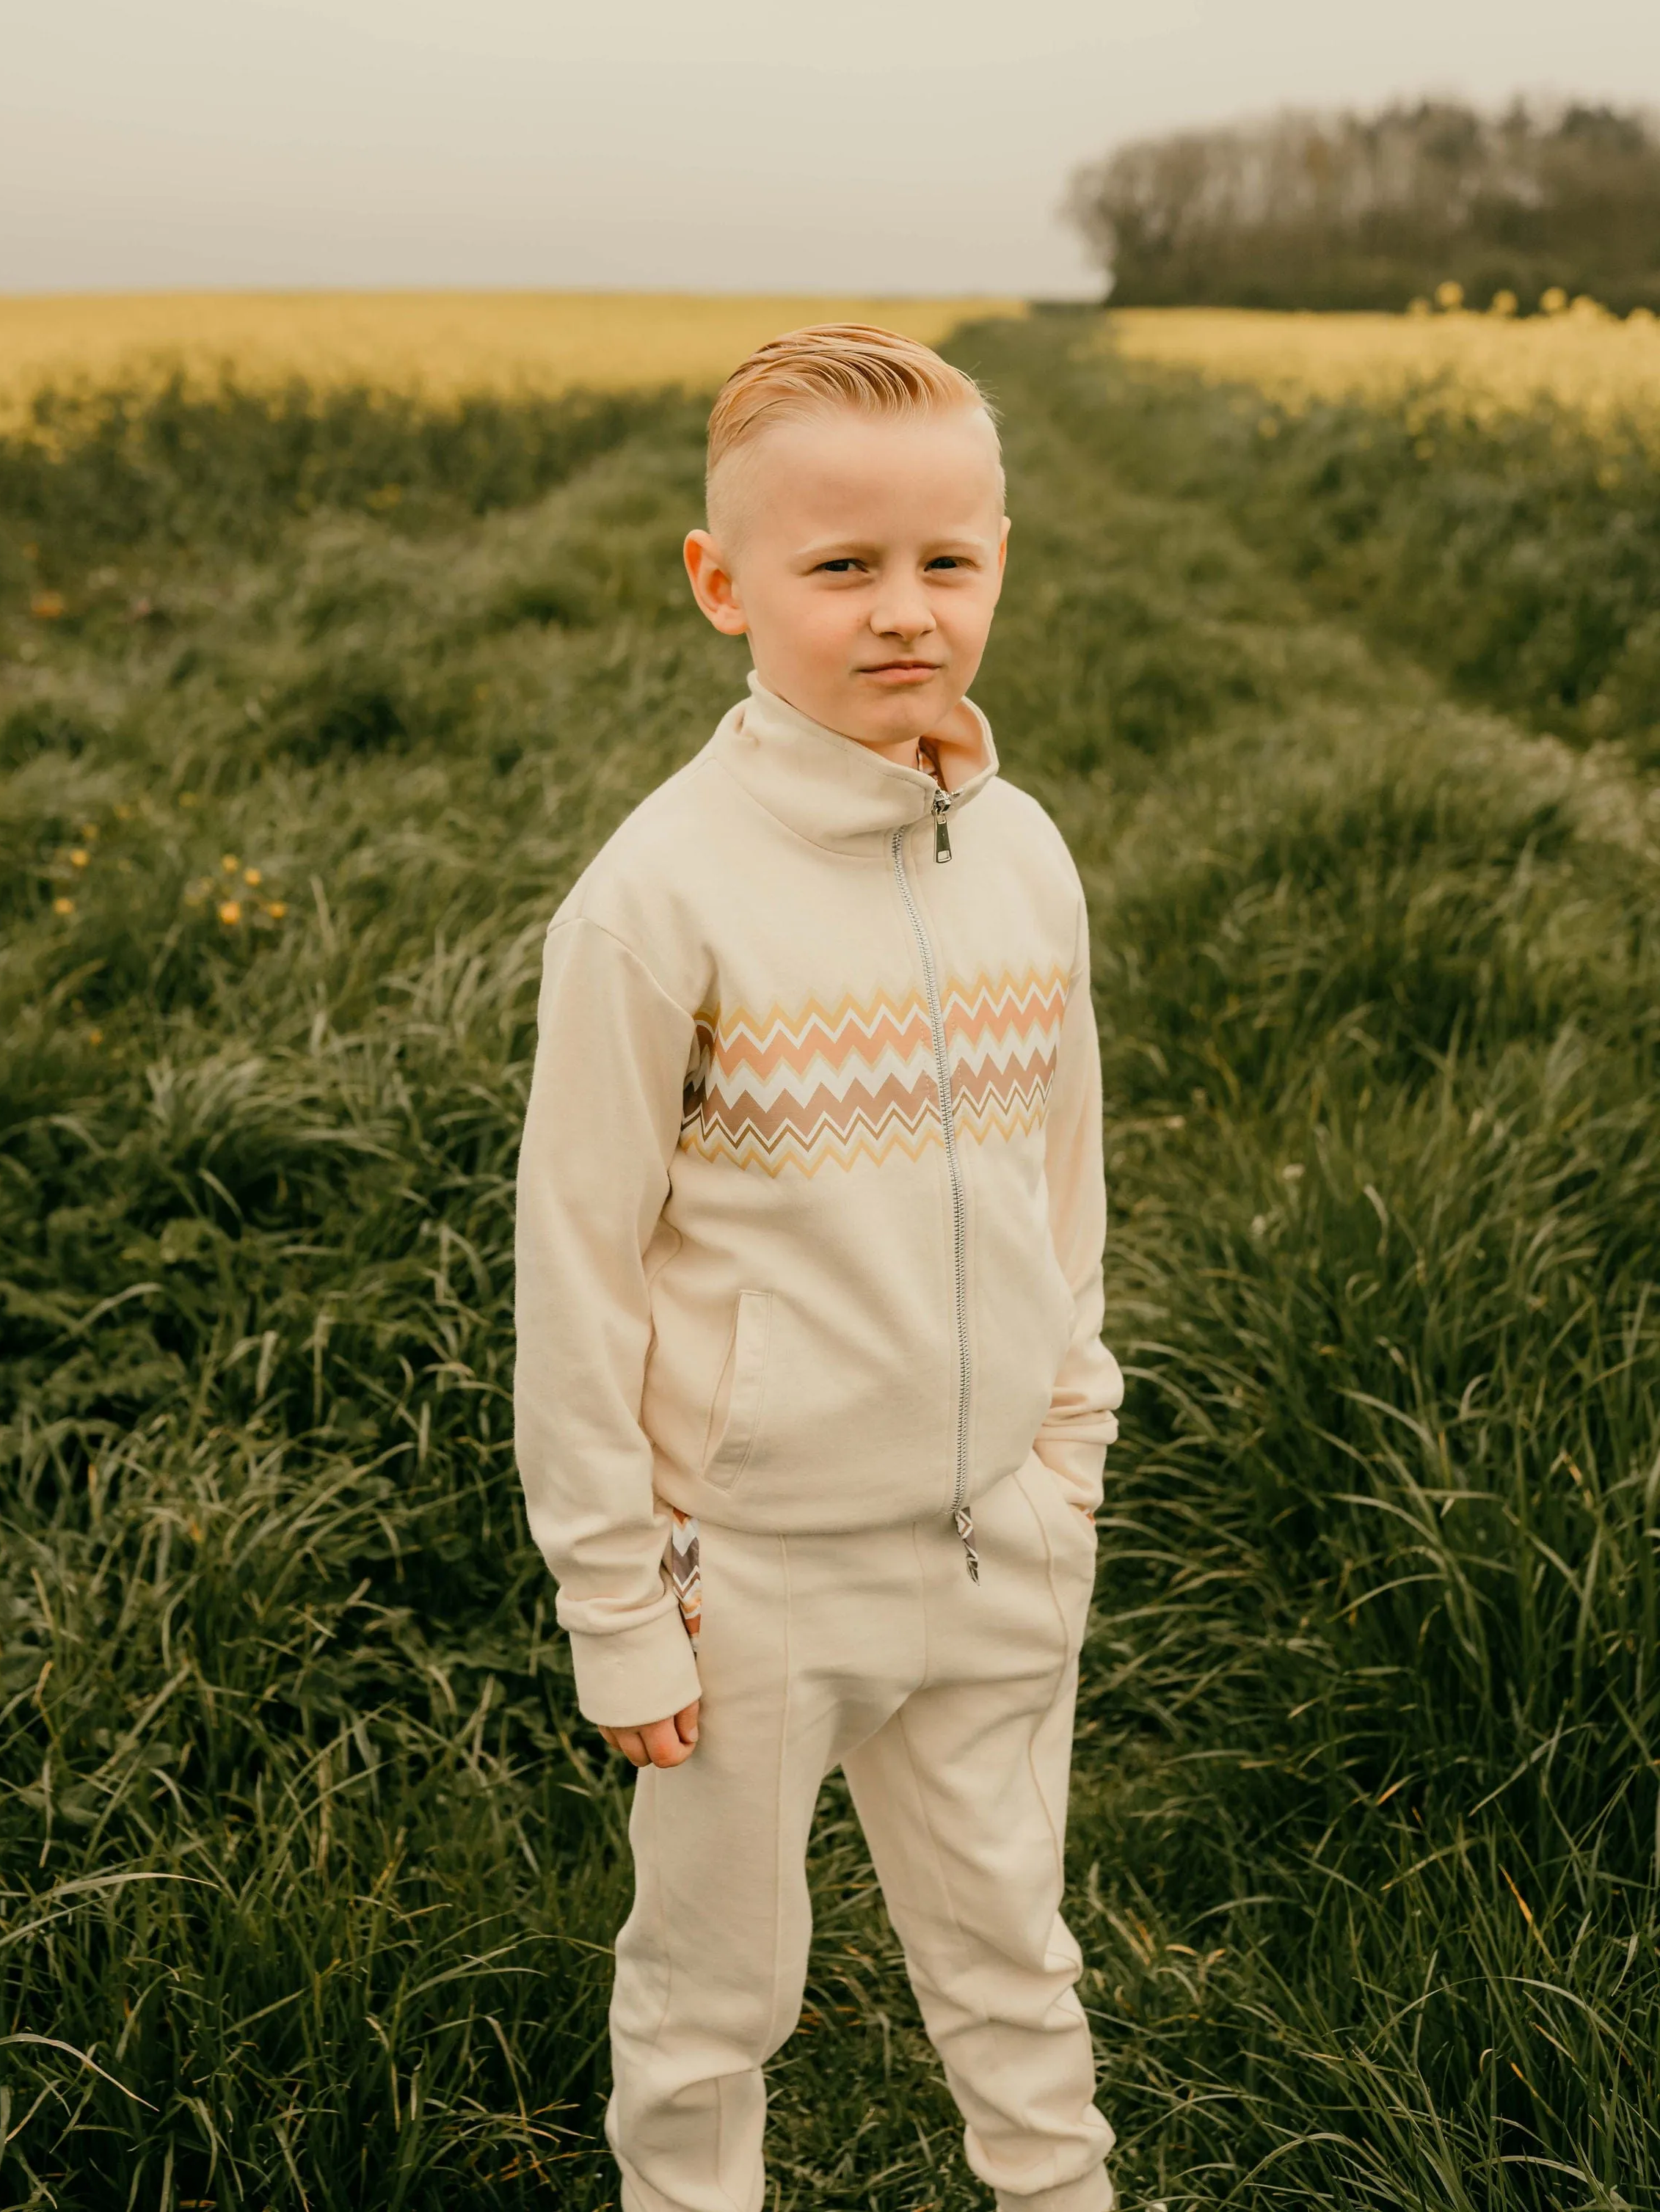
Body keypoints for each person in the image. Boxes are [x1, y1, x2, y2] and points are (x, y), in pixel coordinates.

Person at [514, 324, 1123, 2212]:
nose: (903, 615)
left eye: (946, 563)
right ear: (724, 584)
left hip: (996, 1547)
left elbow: (1064, 1189)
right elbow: (576, 1269)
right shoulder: (660, 896)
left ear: (1002, 559)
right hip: (747, 1583)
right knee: (715, 2004)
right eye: (840, 567)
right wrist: (618, 1601)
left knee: (1018, 1964)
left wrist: (1067, 1449)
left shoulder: (1025, 857)